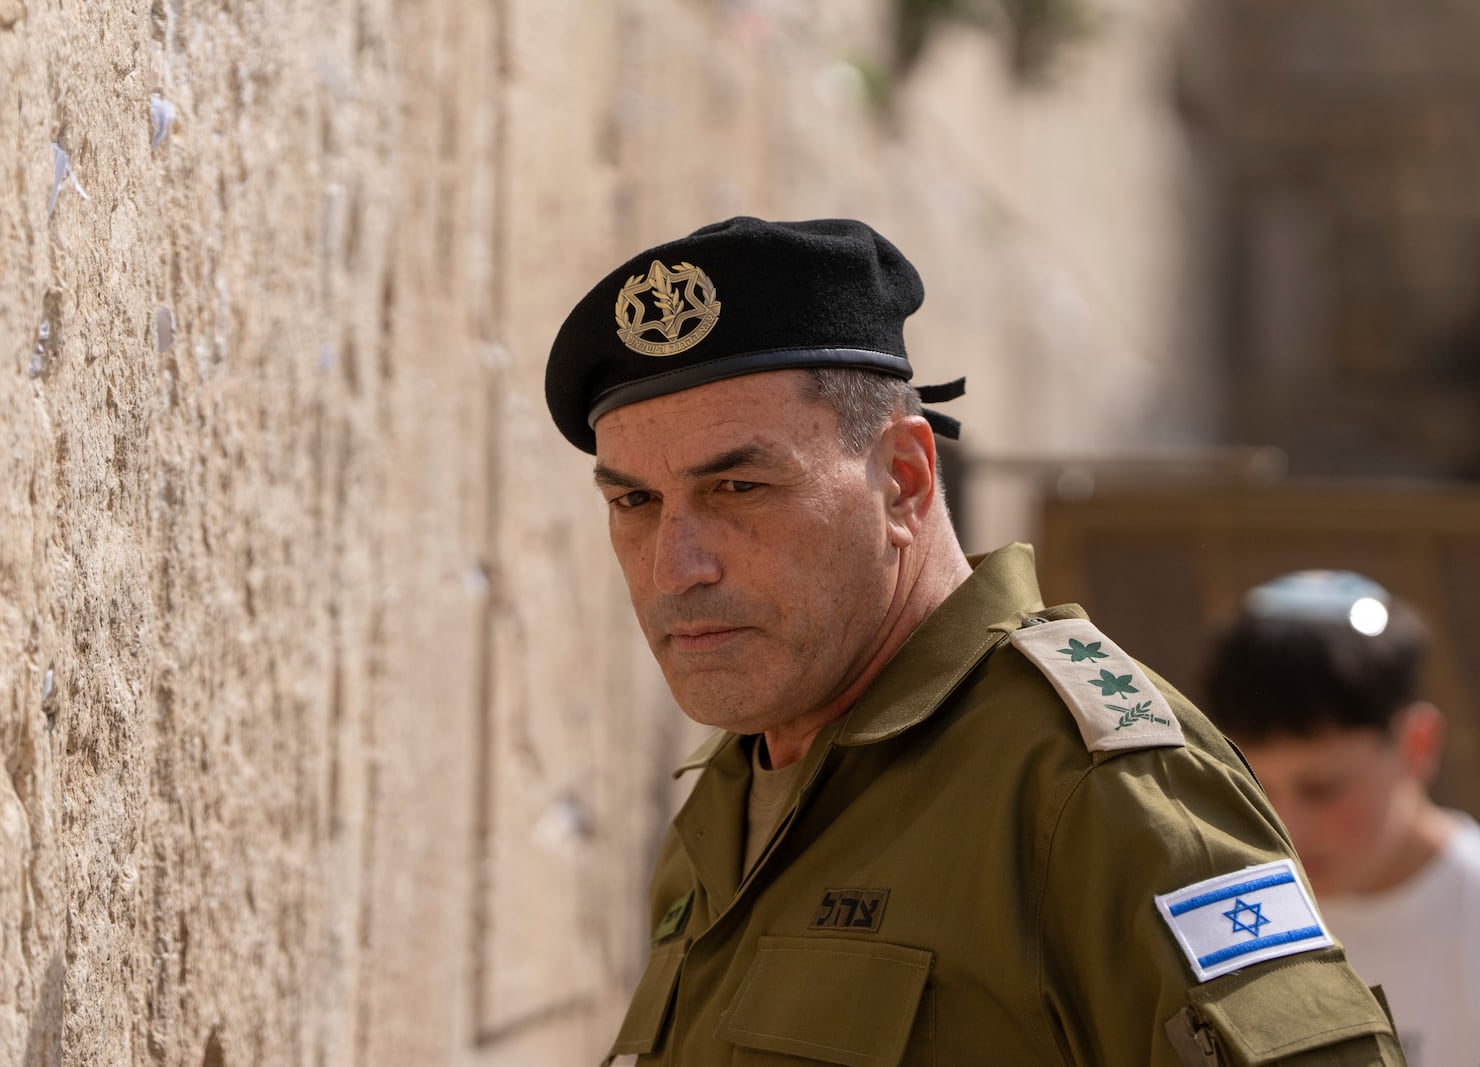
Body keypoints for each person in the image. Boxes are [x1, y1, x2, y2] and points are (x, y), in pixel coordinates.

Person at [544, 216, 1406, 1065]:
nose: (674, 567)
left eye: (739, 485)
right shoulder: (732, 793)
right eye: (634, 503)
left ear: (903, 481)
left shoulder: (1090, 789)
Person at [1204, 570, 1480, 1067]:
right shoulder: (1207, 913)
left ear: (1417, 745)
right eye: (1253, 788)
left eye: (1323, 789)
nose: (1286, 825)